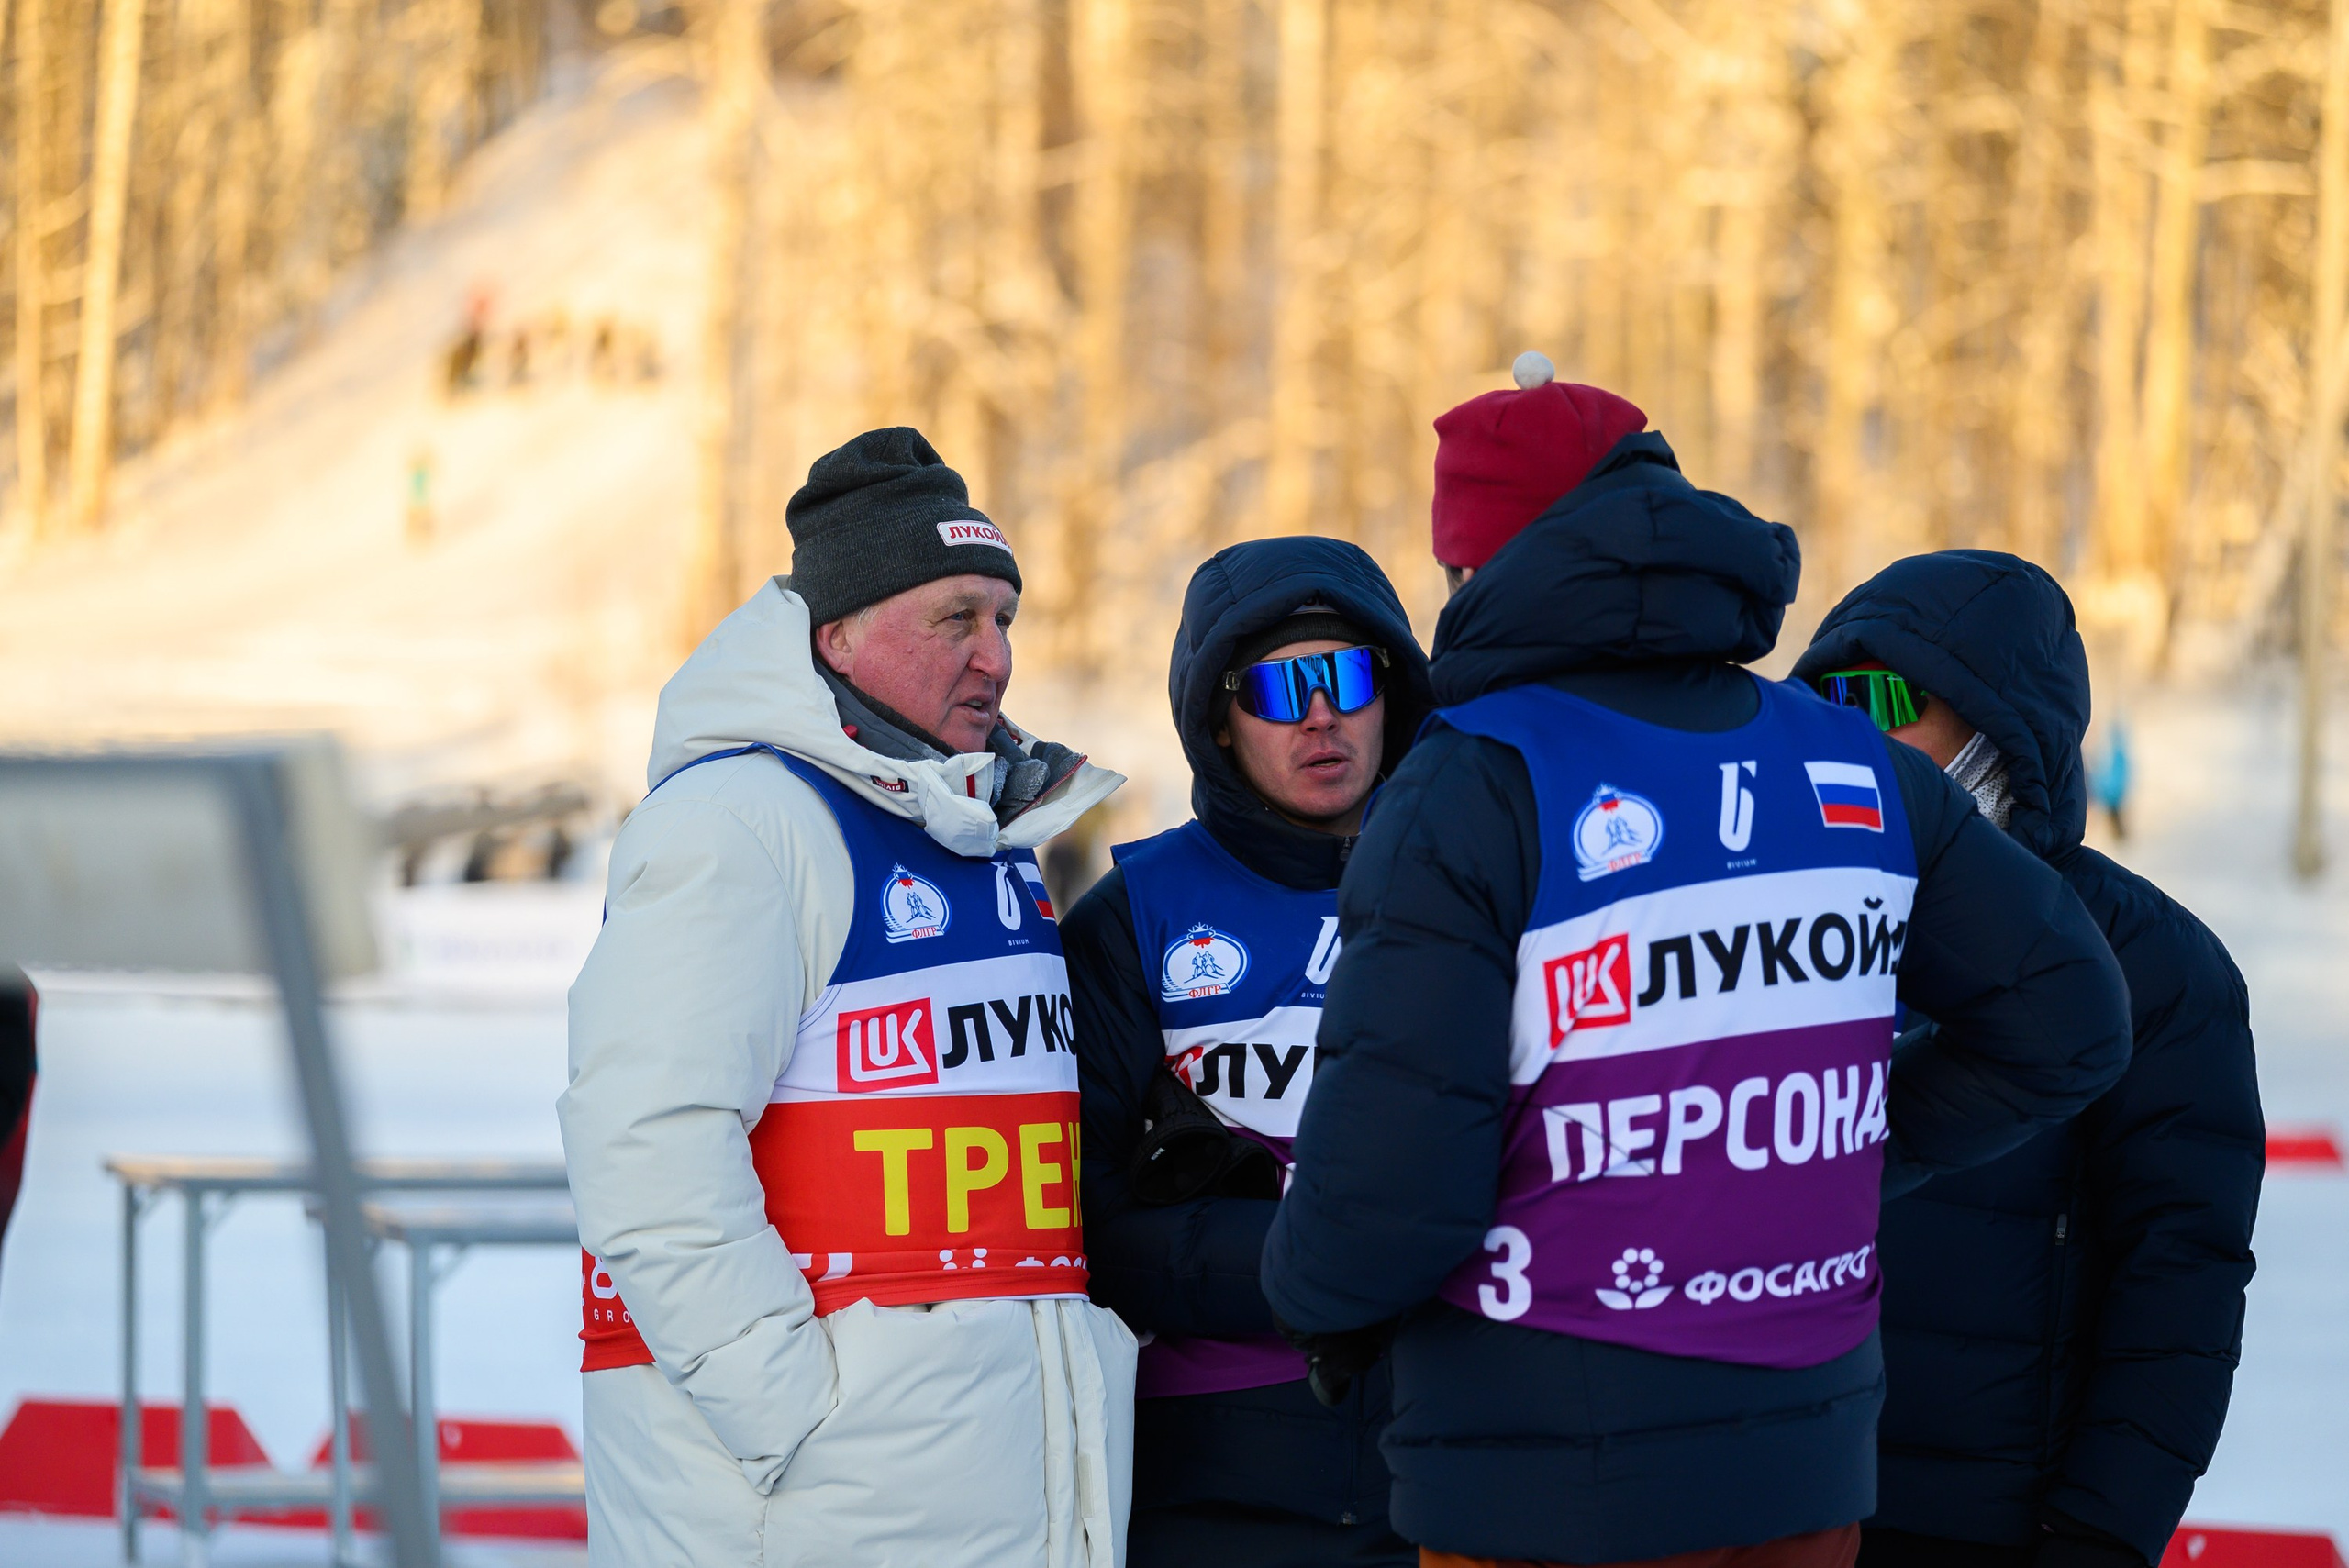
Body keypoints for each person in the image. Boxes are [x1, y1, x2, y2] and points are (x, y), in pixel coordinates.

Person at [1259, 354, 2136, 1568]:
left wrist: (1314, 1299)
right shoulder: (1853, 760)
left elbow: (1392, 1177)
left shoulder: (1472, 778)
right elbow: (2068, 1015)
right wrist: (1816, 1160)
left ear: (1473, 569)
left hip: (1546, 1472)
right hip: (1803, 1458)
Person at [561, 428, 1137, 1568]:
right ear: (837, 635)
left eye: (1004, 618)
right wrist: (792, 1413)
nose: (995, 657)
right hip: (808, 1501)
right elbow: (645, 1142)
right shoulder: (739, 823)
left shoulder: (984, 835)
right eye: (954, 618)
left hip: (979, 1494)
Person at [1792, 551, 2261, 1568]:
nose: (1849, 733)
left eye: (1880, 701)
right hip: (1780, 1507)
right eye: (1826, 702)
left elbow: (2180, 1280)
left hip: (1992, 1527)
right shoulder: (1785, 933)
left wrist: (2102, 1525)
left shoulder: (2152, 966)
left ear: (1996, 727)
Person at [1065, 538, 1435, 1568]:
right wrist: (1307, 1267)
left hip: (1445, 1447)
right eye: (1278, 688)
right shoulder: (1130, 918)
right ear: (1219, 720)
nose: (1320, 714)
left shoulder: (1481, 880)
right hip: (1216, 1461)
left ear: (1391, 694)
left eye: (1346, 677)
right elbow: (1083, 1213)